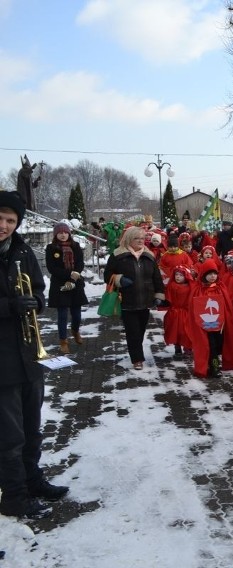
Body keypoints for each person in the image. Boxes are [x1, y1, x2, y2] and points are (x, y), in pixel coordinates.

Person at [0, 191, 68, 520]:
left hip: (29, 355)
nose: (4, 225)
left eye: (10, 220)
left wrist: (36, 303)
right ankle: (13, 497)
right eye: (0, 218)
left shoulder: (23, 250)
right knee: (9, 435)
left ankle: (33, 480)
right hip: (2, 361)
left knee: (32, 427)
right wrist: (10, 306)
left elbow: (38, 288)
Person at [104, 226, 166, 370]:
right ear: (128, 239)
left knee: (141, 330)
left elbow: (156, 277)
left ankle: (136, 352)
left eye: (142, 238)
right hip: (126, 300)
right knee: (132, 331)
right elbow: (107, 275)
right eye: (136, 238)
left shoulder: (149, 255)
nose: (140, 241)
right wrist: (119, 279)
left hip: (145, 300)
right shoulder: (118, 255)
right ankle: (137, 359)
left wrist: (159, 295)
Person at [45, 222, 87, 354]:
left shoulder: (76, 246)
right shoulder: (51, 248)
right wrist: (69, 274)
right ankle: (63, 341)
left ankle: (75, 330)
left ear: (69, 233)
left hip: (75, 282)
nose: (63, 235)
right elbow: (52, 268)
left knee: (76, 314)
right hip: (59, 284)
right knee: (62, 315)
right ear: (55, 234)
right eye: (60, 233)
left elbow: (80, 263)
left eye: (65, 232)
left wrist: (73, 277)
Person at [163, 265, 194, 358]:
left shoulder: (190, 287)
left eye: (181, 275)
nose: (178, 277)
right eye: (176, 274)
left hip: (186, 313)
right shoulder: (171, 286)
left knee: (186, 331)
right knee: (175, 331)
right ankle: (177, 347)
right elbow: (168, 297)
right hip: (174, 312)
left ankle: (188, 347)